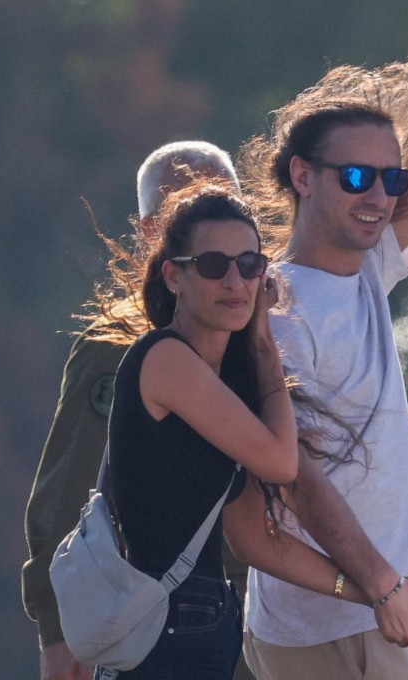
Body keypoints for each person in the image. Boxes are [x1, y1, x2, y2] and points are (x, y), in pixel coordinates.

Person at [237, 2, 408, 677]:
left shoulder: (367, 268)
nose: (382, 196)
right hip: (323, 627)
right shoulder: (270, 309)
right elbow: (296, 480)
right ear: (304, 176)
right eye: (357, 177)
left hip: (382, 607)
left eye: (390, 179)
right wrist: (382, 585)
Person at [21, 141, 242, 680]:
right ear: (149, 232)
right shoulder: (115, 348)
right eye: (181, 209)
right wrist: (58, 633)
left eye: (224, 202)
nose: (205, 221)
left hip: (268, 616)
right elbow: (67, 496)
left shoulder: (266, 335)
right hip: (158, 627)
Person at [100, 182, 298, 677]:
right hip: (165, 632)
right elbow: (281, 462)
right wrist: (263, 342)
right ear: (174, 276)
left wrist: (375, 593)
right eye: (214, 265)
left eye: (250, 265)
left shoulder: (216, 382)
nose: (236, 281)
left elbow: (254, 540)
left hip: (207, 627)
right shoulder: (165, 361)